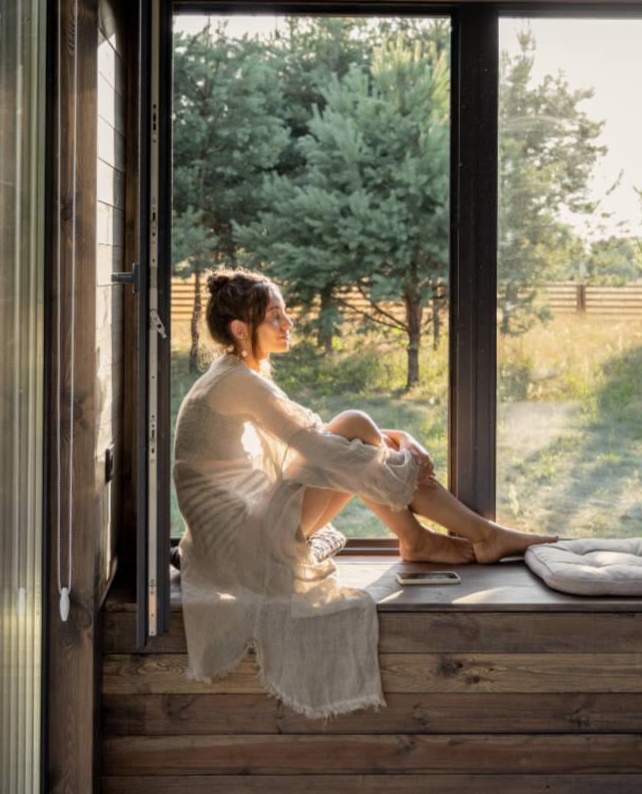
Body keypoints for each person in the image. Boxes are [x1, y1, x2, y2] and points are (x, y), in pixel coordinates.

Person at [172, 267, 555, 719]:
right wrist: (401, 458)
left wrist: (401, 438)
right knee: (353, 431)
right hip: (245, 553)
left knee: (353, 431)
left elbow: (315, 432)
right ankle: (470, 536)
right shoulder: (236, 381)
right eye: (276, 316)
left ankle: (433, 538)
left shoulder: (233, 374)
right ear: (241, 330)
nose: (288, 323)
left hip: (241, 538)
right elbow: (320, 445)